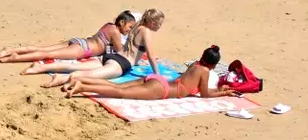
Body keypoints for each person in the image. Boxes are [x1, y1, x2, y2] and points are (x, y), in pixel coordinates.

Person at [30, 10, 168, 89]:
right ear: (151, 22)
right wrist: (158, 75)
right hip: (120, 63)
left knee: (75, 66)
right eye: (159, 23)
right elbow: (150, 54)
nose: (160, 27)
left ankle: (40, 67)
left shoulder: (136, 26)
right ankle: (61, 78)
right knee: (89, 75)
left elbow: (133, 47)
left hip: (111, 56)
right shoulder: (146, 31)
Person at [61, 45, 238, 100]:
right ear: (214, 65)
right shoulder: (205, 71)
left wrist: (222, 91)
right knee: (120, 93)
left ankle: (81, 82)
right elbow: (205, 94)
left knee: (117, 86)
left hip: (157, 80)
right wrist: (222, 94)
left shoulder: (195, 64)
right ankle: (79, 88)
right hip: (163, 89)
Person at [0, 11, 135, 65]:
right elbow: (121, 51)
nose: (129, 31)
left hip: (80, 41)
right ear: (122, 23)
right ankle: (13, 58)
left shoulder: (109, 25)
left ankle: (9, 50)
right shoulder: (116, 32)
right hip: (83, 49)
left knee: (42, 49)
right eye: (129, 27)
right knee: (46, 54)